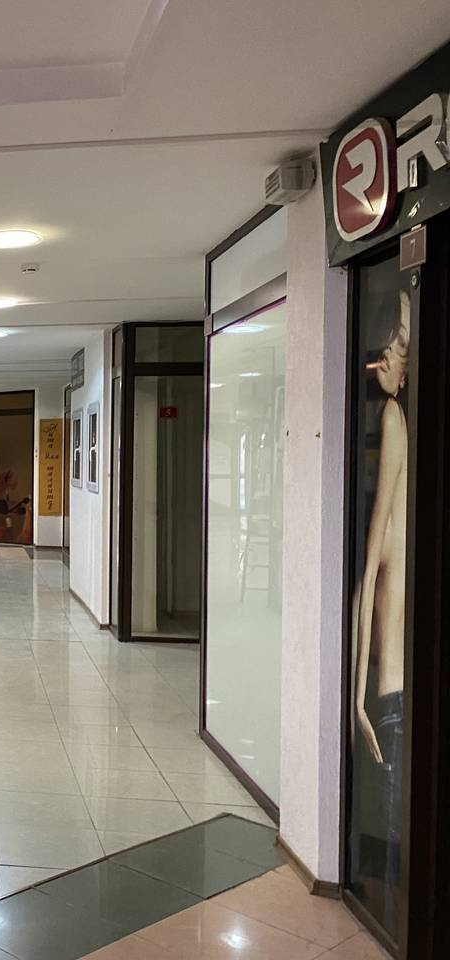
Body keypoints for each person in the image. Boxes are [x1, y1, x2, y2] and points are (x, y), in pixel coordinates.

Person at [350, 287, 410, 928]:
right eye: (391, 346)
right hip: (389, 696)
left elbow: (370, 576)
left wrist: (358, 697)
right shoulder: (396, 421)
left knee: (395, 838)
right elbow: (368, 576)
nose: (391, 360)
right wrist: (357, 698)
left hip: (389, 694)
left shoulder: (396, 420)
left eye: (403, 349)